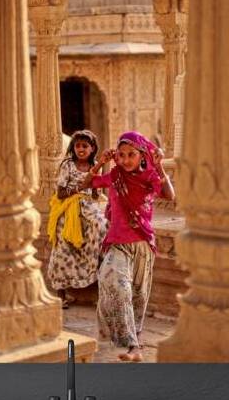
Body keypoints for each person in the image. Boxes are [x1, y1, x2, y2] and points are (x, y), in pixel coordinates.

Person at [81, 130, 175, 361]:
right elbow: (88, 183)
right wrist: (101, 162)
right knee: (113, 281)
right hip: (117, 244)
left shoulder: (150, 177)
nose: (125, 160)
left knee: (138, 297)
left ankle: (135, 346)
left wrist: (159, 166)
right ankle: (130, 342)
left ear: (142, 155)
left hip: (142, 244)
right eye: (121, 155)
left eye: (131, 154)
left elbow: (169, 195)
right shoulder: (115, 176)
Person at [47, 130, 107, 308]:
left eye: (85, 146)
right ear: (73, 148)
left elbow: (96, 194)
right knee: (63, 246)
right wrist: (80, 188)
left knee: (102, 229)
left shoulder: (96, 165)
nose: (81, 149)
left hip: (88, 207)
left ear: (92, 148)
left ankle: (99, 284)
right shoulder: (67, 165)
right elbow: (61, 193)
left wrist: (96, 180)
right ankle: (61, 295)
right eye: (77, 145)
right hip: (68, 208)